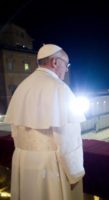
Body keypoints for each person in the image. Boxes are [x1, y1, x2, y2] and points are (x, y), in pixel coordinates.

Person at [4, 44, 86, 200]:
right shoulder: (60, 89)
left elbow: (15, 133)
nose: (67, 69)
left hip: (23, 162)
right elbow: (69, 140)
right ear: (55, 62)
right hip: (50, 168)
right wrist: (74, 173)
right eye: (66, 64)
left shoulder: (22, 86)